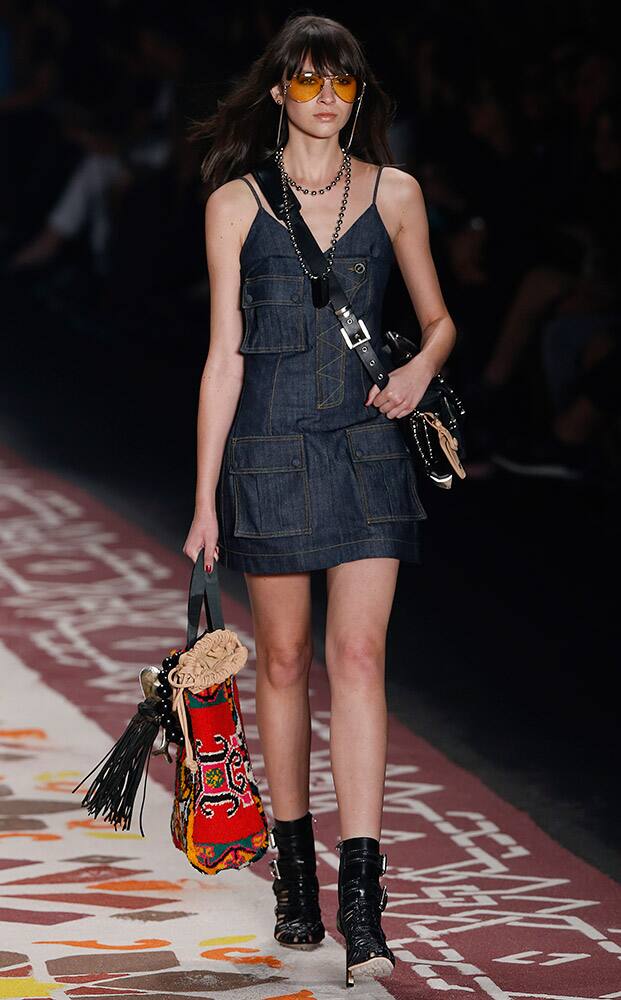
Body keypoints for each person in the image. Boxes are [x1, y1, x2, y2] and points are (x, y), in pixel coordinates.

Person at [182, 13, 456, 989]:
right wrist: (205, 495)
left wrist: (423, 364)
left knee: (359, 654)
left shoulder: (398, 194)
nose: (327, 97)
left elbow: (439, 319)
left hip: (364, 448)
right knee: (288, 658)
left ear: (358, 94)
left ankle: (365, 904)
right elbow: (223, 355)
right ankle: (297, 879)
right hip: (267, 448)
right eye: (307, 81)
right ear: (279, 94)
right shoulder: (235, 204)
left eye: (341, 81)